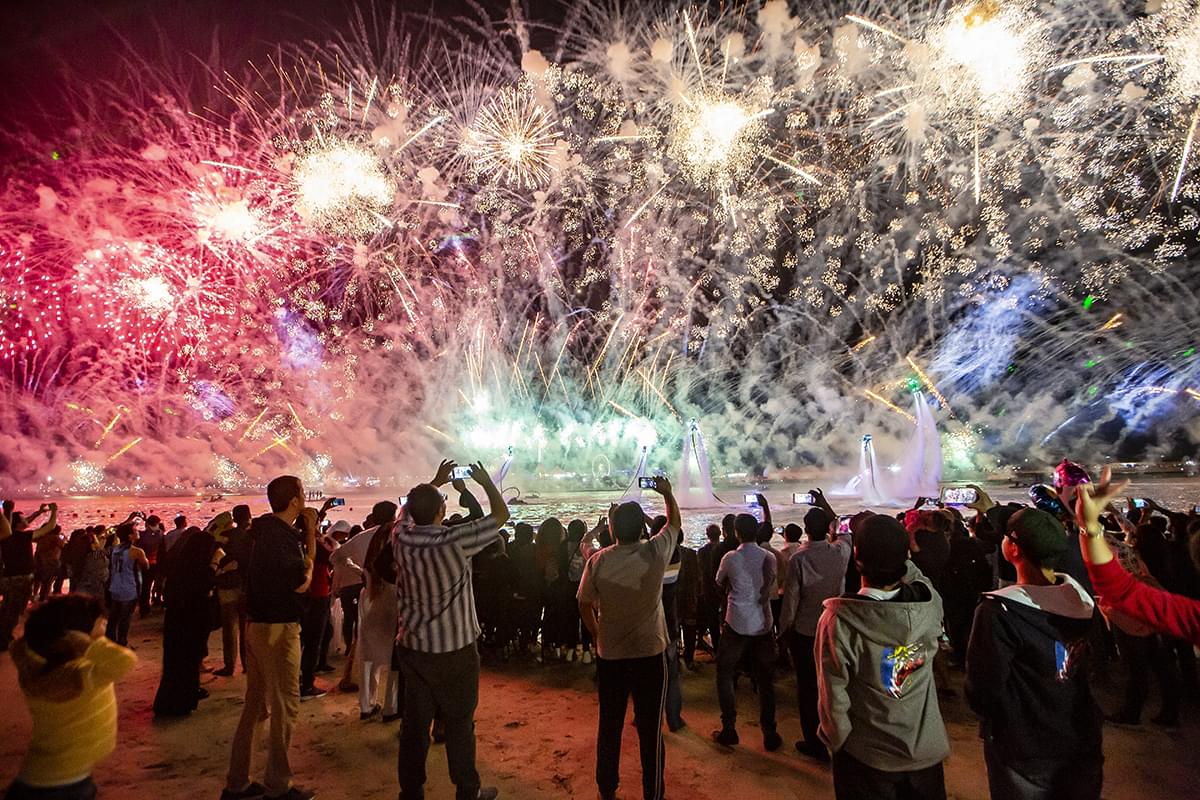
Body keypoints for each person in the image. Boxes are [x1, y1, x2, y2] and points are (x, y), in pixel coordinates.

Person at [965, 508, 1102, 800]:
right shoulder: (1082, 601)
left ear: (1014, 549)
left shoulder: (998, 611)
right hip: (1081, 737)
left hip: (1025, 745)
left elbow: (983, 690)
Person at [392, 460, 509, 800]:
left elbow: (404, 512)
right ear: (442, 511)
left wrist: (435, 482)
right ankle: (467, 790)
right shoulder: (455, 540)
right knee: (460, 723)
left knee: (415, 725)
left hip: (413, 647)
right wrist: (486, 482)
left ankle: (411, 791)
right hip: (455, 650)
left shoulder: (401, 537)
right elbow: (500, 516)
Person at [816, 515, 949, 800]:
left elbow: (833, 696)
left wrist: (840, 743)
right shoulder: (929, 604)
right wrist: (901, 550)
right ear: (905, 557)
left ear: (856, 557)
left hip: (868, 758)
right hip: (925, 753)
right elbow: (919, 578)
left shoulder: (839, 621)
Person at [578, 479, 680, 800]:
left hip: (611, 657)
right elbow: (674, 525)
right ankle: (653, 793)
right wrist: (667, 494)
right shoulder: (655, 552)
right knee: (651, 731)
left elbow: (583, 601)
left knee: (609, 726)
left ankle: (607, 789)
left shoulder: (599, 560)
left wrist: (597, 632)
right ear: (643, 529)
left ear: (612, 528)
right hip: (650, 655)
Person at [222, 476, 318, 800]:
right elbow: (300, 582)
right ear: (294, 501)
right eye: (302, 493)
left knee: (256, 706)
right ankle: (278, 784)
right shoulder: (280, 537)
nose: (305, 499)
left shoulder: (259, 532)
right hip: (279, 628)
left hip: (257, 626)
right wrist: (311, 538)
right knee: (285, 705)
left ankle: (237, 782)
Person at [8, 594, 137, 800]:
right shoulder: (82, 675)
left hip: (41, 777)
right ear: (77, 636)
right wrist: (89, 644)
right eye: (100, 623)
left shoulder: (37, 666)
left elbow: (19, 646)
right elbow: (125, 660)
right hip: (64, 786)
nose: (104, 627)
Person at [779, 508, 852, 761]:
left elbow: (791, 600)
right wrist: (829, 511)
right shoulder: (841, 552)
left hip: (806, 630)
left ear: (806, 528)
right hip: (835, 625)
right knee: (834, 685)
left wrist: (784, 630)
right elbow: (845, 531)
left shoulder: (799, 558)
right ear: (829, 528)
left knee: (808, 688)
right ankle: (838, 735)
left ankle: (814, 742)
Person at [712, 512, 781, 751]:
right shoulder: (769, 557)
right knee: (765, 680)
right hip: (763, 623)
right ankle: (770, 732)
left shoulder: (730, 558)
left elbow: (718, 582)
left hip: (736, 622)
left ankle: (729, 728)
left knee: (724, 673)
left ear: (736, 533)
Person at [153, 520, 221, 717]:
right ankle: (181, 701)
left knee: (176, 664)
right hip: (191, 624)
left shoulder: (181, 570)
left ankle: (176, 698)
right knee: (188, 664)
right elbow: (204, 585)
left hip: (177, 623)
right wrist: (215, 563)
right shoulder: (198, 572)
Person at [358, 508, 402, 721]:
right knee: (395, 660)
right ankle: (391, 708)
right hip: (394, 602)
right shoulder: (398, 536)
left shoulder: (366, 536)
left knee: (369, 658)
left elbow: (337, 555)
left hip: (371, 600)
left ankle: (366, 705)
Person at [1, 503, 59, 651]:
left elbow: (25, 521)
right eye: (23, 519)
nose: (27, 520)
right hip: (20, 579)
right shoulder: (23, 537)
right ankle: (3, 639)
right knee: (14, 611)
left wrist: (38, 513)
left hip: (8, 577)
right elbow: (50, 527)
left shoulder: (6, 535)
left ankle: (5, 634)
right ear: (18, 524)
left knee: (8, 607)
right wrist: (54, 511)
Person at [212, 505, 253, 677]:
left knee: (229, 630)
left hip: (227, 586)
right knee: (246, 630)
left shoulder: (225, 537)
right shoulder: (253, 537)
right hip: (245, 587)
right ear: (249, 517)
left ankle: (229, 666)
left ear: (234, 519)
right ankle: (247, 664)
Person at [105, 522, 149, 647]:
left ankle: (109, 641)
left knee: (114, 616)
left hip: (115, 585)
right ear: (130, 536)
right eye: (135, 530)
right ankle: (122, 642)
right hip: (129, 587)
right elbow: (146, 566)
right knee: (125, 617)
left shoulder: (115, 549)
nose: (138, 532)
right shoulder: (137, 551)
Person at [695, 523, 724, 655]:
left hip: (708, 588)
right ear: (720, 534)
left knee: (711, 618)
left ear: (707, 535)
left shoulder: (702, 551)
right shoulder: (723, 549)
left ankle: (716, 647)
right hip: (722, 587)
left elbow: (701, 570)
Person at [138, 515, 166, 614]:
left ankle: (144, 608)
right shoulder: (159, 535)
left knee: (145, 587)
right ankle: (154, 602)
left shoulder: (142, 535)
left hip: (144, 563)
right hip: (155, 563)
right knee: (156, 585)